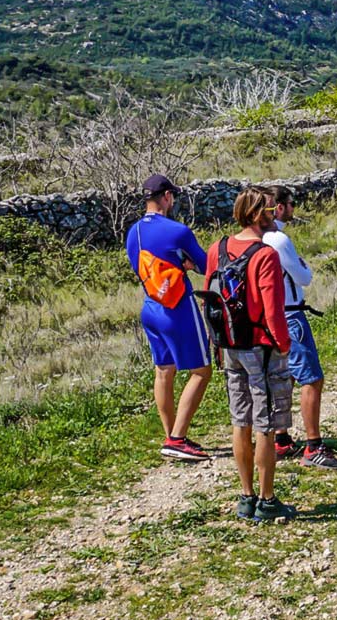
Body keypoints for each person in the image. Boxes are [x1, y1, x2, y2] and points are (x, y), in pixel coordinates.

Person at [205, 187, 295, 522]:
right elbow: (274, 311)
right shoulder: (265, 255)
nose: (276, 216)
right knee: (266, 423)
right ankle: (267, 499)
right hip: (262, 347)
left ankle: (246, 496)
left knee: (239, 421)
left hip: (230, 345)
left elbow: (210, 298)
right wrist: (284, 345)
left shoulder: (218, 249)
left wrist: (217, 343)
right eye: (271, 211)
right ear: (259, 214)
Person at [125, 173, 212, 462]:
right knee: (201, 371)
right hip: (178, 306)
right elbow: (204, 265)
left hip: (151, 307)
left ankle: (171, 435)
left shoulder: (133, 232)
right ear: (167, 197)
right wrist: (185, 265)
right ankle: (177, 438)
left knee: (164, 371)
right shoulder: (179, 231)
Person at [263, 185, 337, 470]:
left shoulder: (256, 239)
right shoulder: (279, 240)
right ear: (281, 207)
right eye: (291, 203)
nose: (294, 209)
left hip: (268, 317)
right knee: (311, 378)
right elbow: (304, 277)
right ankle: (313, 445)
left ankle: (280, 437)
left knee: (283, 377)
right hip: (291, 316)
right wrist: (302, 265)